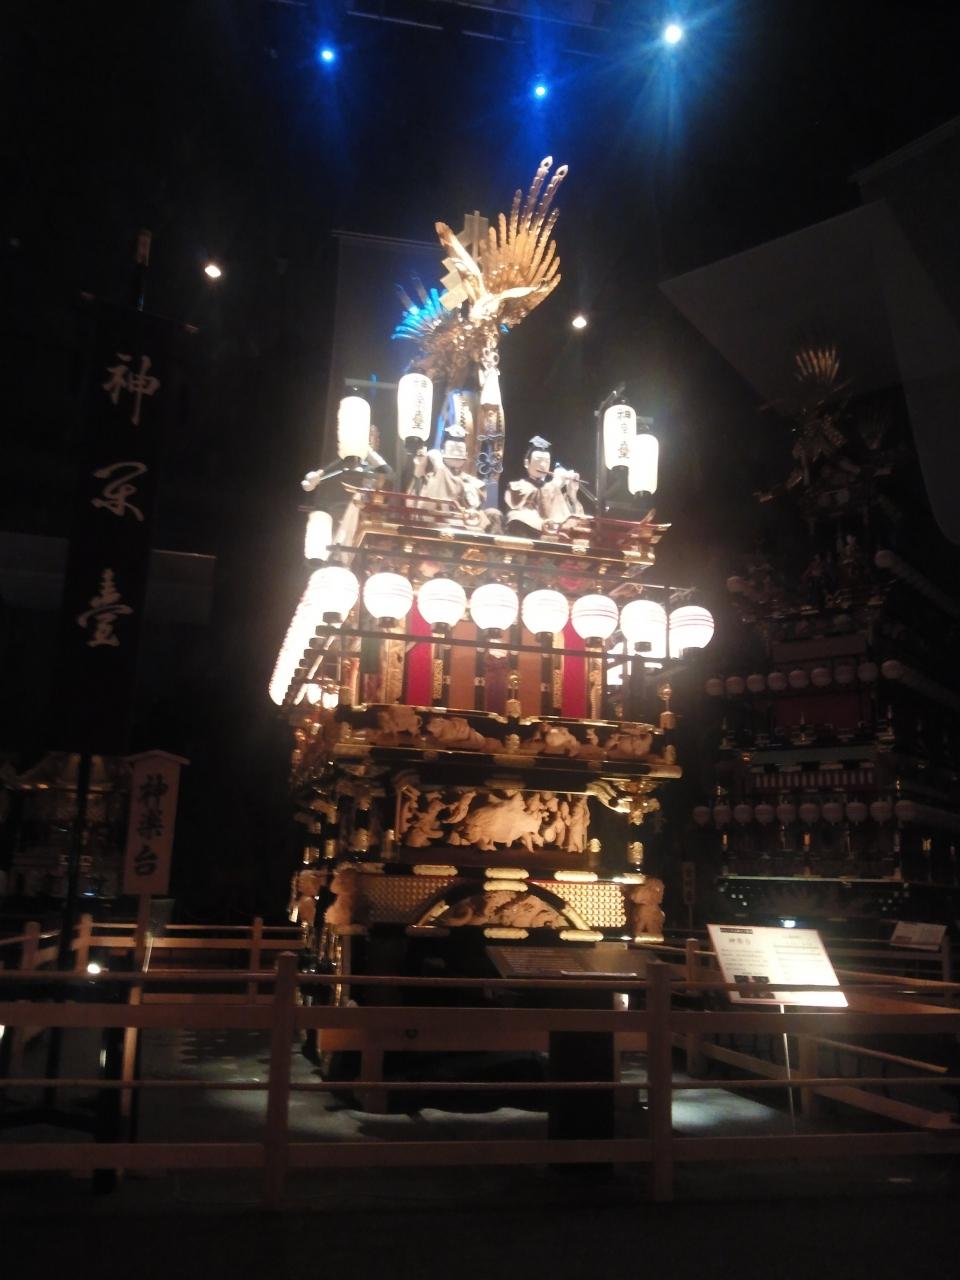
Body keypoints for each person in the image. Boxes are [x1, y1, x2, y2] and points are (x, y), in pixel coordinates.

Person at [407, 424, 496, 529]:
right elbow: (414, 503)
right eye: (451, 448)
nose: (456, 452)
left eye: (460, 449)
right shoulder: (432, 477)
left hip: (466, 524)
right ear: (443, 451)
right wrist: (423, 467)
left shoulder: (473, 482)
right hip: (436, 524)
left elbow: (475, 505)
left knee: (493, 514)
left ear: (466, 453)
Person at [504, 436, 583, 536]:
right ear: (527, 463)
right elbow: (533, 497)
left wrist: (572, 496)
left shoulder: (553, 488)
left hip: (557, 532)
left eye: (546, 461)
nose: (542, 465)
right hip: (533, 531)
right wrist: (554, 485)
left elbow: (568, 517)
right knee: (516, 517)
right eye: (538, 460)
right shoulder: (517, 486)